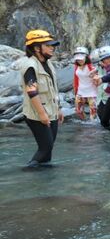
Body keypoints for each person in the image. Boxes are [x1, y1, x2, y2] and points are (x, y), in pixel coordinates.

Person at [19, 29, 63, 168]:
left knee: (49, 148)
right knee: (45, 147)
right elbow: (32, 92)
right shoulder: (30, 66)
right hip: (37, 114)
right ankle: (27, 172)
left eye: (52, 45)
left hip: (52, 111)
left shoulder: (48, 63)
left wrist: (59, 109)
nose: (52, 48)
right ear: (36, 48)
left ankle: (45, 179)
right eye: (48, 45)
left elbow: (53, 90)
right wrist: (42, 114)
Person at [72, 46, 98, 120]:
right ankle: (84, 123)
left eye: (81, 59)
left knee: (93, 113)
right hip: (80, 91)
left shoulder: (91, 67)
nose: (79, 61)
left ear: (86, 57)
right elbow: (76, 78)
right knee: (78, 111)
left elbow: (97, 77)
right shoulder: (76, 67)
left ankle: (93, 128)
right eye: (78, 59)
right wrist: (75, 89)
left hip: (92, 92)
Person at [92, 45, 110, 129]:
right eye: (106, 58)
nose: (109, 60)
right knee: (103, 122)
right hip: (101, 98)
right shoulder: (99, 68)